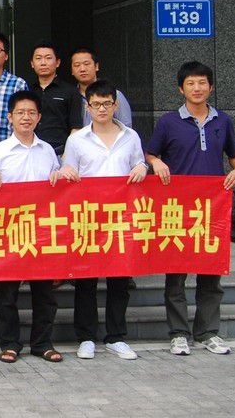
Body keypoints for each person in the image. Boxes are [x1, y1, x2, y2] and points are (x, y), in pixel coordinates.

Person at [145, 61, 235, 357]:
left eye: (202, 83)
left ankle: (207, 332)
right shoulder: (168, 122)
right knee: (176, 273)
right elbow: (150, 153)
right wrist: (156, 162)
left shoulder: (222, 121)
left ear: (210, 87)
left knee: (210, 271)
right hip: (177, 208)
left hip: (212, 208)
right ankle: (178, 333)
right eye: (190, 83)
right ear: (181, 89)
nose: (197, 88)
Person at [57, 79, 147, 361]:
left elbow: (139, 162)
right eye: (96, 104)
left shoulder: (130, 136)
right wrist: (67, 172)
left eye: (107, 103)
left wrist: (142, 167)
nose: (102, 109)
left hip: (121, 217)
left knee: (120, 278)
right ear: (88, 107)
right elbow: (67, 168)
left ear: (115, 105)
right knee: (86, 279)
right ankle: (86, 337)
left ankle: (116, 336)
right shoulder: (77, 139)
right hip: (88, 216)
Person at [0, 90, 64, 365]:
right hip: (10, 232)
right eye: (20, 113)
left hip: (41, 232)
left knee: (44, 294)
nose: (26, 118)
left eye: (31, 113)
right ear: (9, 117)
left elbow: (59, 188)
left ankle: (42, 343)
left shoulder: (47, 151)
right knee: (8, 294)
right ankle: (10, 343)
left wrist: (59, 176)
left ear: (39, 118)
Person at [27, 41, 83, 156]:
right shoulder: (28, 91)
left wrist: (68, 154)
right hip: (31, 151)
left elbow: (76, 127)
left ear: (57, 62)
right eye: (38, 58)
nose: (43, 63)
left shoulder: (71, 91)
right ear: (32, 63)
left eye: (48, 58)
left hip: (61, 152)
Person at [71, 47, 133, 128]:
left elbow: (126, 127)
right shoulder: (70, 97)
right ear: (72, 70)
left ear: (96, 66)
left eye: (86, 64)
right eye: (77, 65)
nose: (82, 69)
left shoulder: (115, 95)